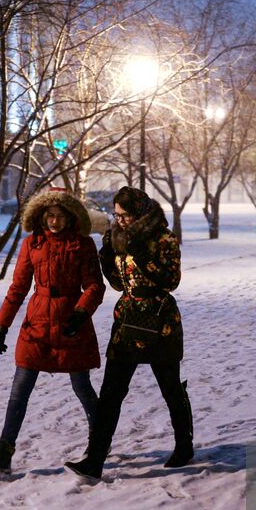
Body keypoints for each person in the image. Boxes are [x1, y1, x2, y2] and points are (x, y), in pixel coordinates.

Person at [66, 185, 191, 480]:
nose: (119, 221)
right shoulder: (120, 238)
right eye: (116, 215)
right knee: (111, 392)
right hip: (128, 319)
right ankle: (94, 460)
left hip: (161, 321)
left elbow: (170, 280)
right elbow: (120, 285)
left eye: (125, 216)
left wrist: (139, 254)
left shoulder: (163, 238)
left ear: (139, 213)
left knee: (170, 388)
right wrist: (108, 257)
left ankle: (184, 446)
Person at [0, 189, 105, 473]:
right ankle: (4, 452)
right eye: (49, 216)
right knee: (20, 388)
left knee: (81, 387)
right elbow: (19, 287)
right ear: (41, 216)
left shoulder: (82, 245)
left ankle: (100, 442)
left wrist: (81, 313)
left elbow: (95, 286)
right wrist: (2, 324)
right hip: (37, 322)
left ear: (70, 218)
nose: (54, 222)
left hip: (71, 322)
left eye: (59, 216)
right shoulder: (32, 244)